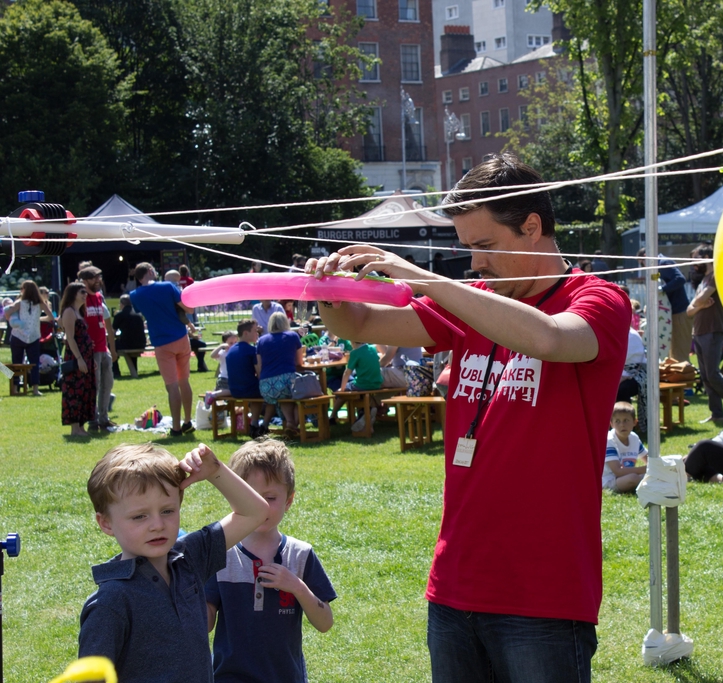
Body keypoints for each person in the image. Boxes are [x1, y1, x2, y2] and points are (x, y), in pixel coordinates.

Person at [307, 153, 630, 682]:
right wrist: (329, 291)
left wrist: (421, 277)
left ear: (531, 227)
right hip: (455, 587)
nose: (475, 265)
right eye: (467, 250)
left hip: (543, 597)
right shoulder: (474, 300)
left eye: (484, 247)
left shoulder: (599, 299)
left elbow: (549, 338)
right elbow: (361, 323)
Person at [78, 442, 269, 683]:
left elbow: (255, 512)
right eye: (140, 516)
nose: (157, 524)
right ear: (105, 523)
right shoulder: (110, 602)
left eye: (167, 511)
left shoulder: (190, 558)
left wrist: (214, 470)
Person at [205, 438, 336, 682]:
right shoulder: (221, 554)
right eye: (250, 495)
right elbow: (206, 623)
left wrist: (297, 586)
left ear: (289, 501)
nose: (261, 506)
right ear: (234, 498)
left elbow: (325, 622)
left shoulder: (301, 554)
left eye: (271, 497)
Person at [130, 262, 196, 436]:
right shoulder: (168, 286)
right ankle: (188, 420)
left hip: (161, 342)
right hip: (180, 337)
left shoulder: (134, 295)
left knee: (172, 386)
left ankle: (175, 427)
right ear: (151, 271)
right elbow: (188, 307)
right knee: (184, 381)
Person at [687, 243, 723, 425]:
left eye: (696, 257)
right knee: (706, 377)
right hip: (699, 331)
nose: (693, 262)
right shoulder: (703, 280)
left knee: (713, 374)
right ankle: (717, 415)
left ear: (707, 256)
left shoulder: (715, 276)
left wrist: (698, 304)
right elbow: (689, 310)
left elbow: (697, 301)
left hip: (712, 330)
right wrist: (699, 304)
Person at [78, 266, 118, 430]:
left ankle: (104, 418)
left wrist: (112, 348)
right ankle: (92, 420)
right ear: (85, 281)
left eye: (98, 278)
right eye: (94, 278)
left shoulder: (100, 297)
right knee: (93, 385)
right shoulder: (81, 298)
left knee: (107, 384)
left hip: (103, 348)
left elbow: (107, 325)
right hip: (90, 350)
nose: (98, 281)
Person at [638, 248, 691, 361]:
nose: (643, 266)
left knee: (679, 349)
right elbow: (655, 285)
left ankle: (683, 374)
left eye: (642, 262)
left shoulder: (664, 263)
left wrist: (662, 289)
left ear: (646, 256)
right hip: (670, 312)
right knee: (671, 351)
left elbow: (680, 279)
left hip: (679, 311)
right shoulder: (657, 267)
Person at [257, 312, 303, 440]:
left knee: (283, 397)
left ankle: (290, 425)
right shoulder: (293, 336)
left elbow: (259, 366)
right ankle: (292, 425)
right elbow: (299, 362)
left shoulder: (261, 340)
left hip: (266, 386)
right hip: (286, 381)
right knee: (300, 394)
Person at [3, 279, 54, 395]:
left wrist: (11, 319)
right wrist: (37, 319)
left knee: (16, 363)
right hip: (34, 336)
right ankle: (35, 389)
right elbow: (50, 317)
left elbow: (7, 312)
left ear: (24, 290)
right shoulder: (41, 304)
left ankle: (15, 388)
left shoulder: (19, 303)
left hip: (18, 336)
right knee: (34, 363)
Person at [58, 282, 96, 437]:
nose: (85, 295)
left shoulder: (80, 311)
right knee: (75, 390)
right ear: (73, 293)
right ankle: (75, 428)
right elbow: (70, 338)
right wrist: (80, 359)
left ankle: (81, 426)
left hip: (86, 356)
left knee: (86, 391)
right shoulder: (69, 311)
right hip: (75, 357)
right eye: (82, 292)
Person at [225, 320, 264, 437]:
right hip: (249, 390)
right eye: (255, 331)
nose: (257, 334)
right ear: (246, 333)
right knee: (269, 390)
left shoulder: (230, 351)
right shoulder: (252, 350)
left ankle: (254, 423)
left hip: (234, 390)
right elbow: (260, 373)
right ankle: (255, 424)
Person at [603, 402, 648, 493]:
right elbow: (617, 471)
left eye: (626, 420)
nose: (622, 425)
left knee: (651, 474)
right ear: (611, 424)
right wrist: (646, 469)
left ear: (634, 422)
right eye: (617, 421)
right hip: (610, 480)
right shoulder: (609, 440)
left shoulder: (634, 437)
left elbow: (648, 459)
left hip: (627, 476)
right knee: (634, 478)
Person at [112, 295, 147, 379]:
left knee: (111, 346)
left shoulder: (120, 315)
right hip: (141, 344)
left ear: (122, 304)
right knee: (131, 340)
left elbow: (112, 332)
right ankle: (134, 369)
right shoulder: (138, 314)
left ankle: (115, 372)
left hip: (127, 344)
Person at [204, 331, 238, 405]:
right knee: (233, 391)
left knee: (235, 392)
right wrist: (220, 346)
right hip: (224, 379)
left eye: (235, 342)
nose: (233, 345)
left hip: (233, 380)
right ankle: (213, 394)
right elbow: (212, 355)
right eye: (231, 343)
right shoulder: (223, 353)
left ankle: (214, 394)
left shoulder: (237, 352)